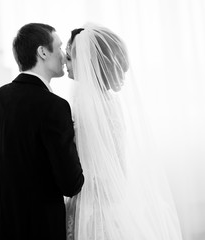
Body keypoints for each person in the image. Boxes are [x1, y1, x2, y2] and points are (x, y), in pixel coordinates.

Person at [0, 23, 84, 240]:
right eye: (58, 47)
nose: (63, 55)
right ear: (42, 51)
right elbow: (71, 183)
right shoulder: (54, 107)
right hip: (38, 228)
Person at [64, 23, 183, 240]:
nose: (66, 63)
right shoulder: (107, 99)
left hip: (95, 191)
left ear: (84, 61)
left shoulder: (86, 103)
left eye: (70, 56)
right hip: (105, 186)